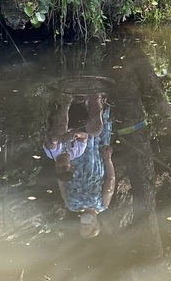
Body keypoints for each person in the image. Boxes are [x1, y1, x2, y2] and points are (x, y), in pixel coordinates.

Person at [53, 94, 114, 238]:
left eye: (82, 227)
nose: (84, 224)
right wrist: (108, 160)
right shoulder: (103, 205)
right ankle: (95, 97)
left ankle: (71, 99)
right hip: (94, 159)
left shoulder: (72, 206)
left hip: (72, 160)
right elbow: (110, 179)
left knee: (74, 132)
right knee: (95, 131)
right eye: (87, 227)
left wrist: (59, 163)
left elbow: (62, 184)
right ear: (95, 225)